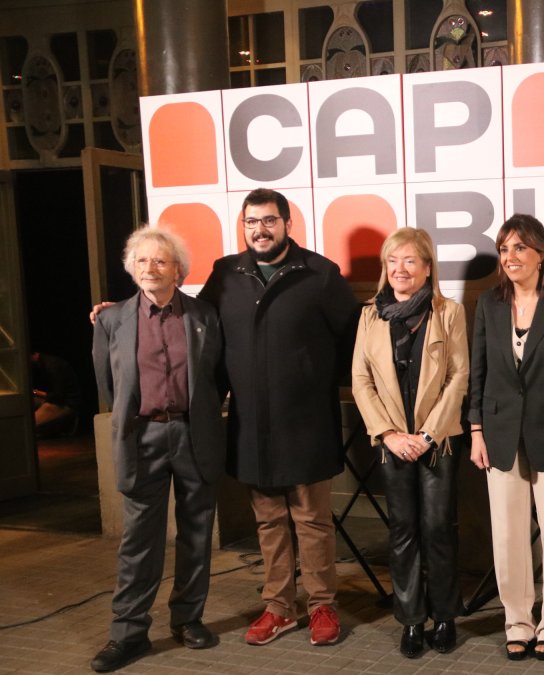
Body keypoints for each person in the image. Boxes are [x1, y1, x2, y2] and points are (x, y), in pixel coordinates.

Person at [198, 188, 361, 646]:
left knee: (312, 520)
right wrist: (123, 314)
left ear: (288, 224)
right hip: (251, 424)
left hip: (308, 421)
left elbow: (353, 340)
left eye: (269, 221)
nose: (260, 230)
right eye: (251, 222)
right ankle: (278, 608)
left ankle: (322, 604)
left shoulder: (319, 274)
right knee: (268, 521)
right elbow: (199, 328)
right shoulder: (226, 274)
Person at [89, 226, 224, 672]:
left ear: (178, 271)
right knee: (139, 541)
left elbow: (215, 380)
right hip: (141, 437)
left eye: (160, 261)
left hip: (193, 433)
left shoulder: (205, 315)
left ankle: (188, 620)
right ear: (131, 270)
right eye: (142, 261)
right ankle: (129, 633)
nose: (150, 268)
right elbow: (109, 386)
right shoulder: (111, 320)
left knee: (196, 534)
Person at [467, 213, 544, 661]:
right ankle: (517, 620)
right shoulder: (489, 303)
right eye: (503, 249)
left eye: (519, 247)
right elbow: (479, 371)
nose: (510, 257)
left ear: (541, 252)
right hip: (497, 433)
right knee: (507, 535)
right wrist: (476, 429)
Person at [350, 228, 469, 658]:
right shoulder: (369, 316)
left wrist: (427, 435)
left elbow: (459, 376)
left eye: (409, 261)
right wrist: (388, 434)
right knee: (402, 532)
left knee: (438, 529)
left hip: (437, 442)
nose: (400, 269)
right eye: (392, 261)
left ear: (427, 267)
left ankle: (444, 617)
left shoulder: (448, 312)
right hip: (391, 442)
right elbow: (360, 380)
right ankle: (412, 621)